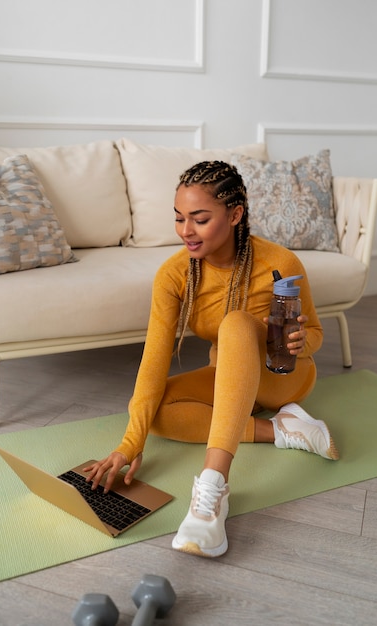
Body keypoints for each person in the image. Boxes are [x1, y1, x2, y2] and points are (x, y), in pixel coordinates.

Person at [84, 160, 339, 558]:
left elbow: (317, 336)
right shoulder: (174, 276)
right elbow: (153, 361)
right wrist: (129, 444)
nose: (186, 231)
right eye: (179, 218)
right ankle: (285, 432)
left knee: (237, 325)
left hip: (283, 376)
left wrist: (300, 342)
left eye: (200, 219)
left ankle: (212, 489)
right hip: (231, 380)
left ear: (235, 215)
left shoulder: (281, 263)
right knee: (156, 411)